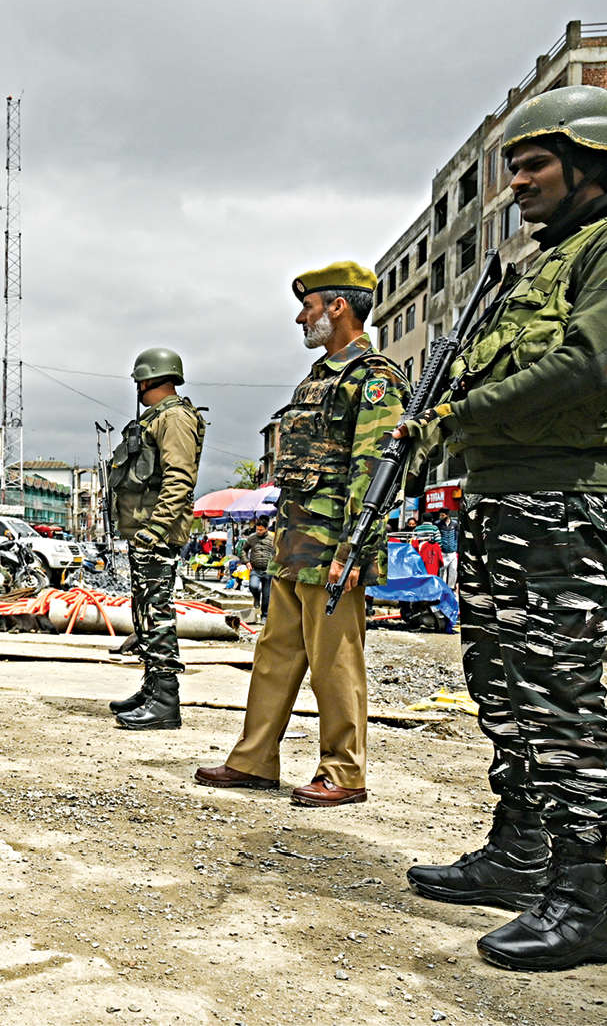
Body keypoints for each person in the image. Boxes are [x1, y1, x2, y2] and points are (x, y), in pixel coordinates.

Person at [398, 85, 607, 972]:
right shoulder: (537, 266)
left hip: (560, 498)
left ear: (589, 164)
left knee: (560, 696)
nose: (518, 183)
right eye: (514, 168)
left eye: (535, 166)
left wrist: (455, 417)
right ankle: (520, 853)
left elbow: (591, 363)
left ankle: (585, 900)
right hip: (501, 498)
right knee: (500, 684)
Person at [196, 262, 405, 807]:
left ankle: (343, 771)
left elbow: (374, 470)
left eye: (307, 307)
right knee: (275, 654)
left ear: (338, 306)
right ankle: (254, 760)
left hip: (334, 546)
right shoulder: (318, 377)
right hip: (294, 544)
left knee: (335, 660)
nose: (300, 318)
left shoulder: (374, 378)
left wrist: (354, 549)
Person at [105, 347, 205, 730]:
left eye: (139, 381)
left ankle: (165, 701)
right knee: (146, 613)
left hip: (156, 535)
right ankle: (152, 689)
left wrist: (156, 528)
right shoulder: (159, 418)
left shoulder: (175, 418)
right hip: (146, 533)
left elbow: (179, 479)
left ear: (148, 380)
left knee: (157, 614)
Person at [245, 518, 275, 620]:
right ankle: (256, 597)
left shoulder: (273, 539)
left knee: (267, 595)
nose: (258, 531)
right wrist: (246, 561)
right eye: (257, 529)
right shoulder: (251, 538)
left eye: (261, 530)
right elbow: (243, 550)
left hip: (268, 571)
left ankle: (264, 615)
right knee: (253, 586)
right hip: (255, 569)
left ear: (266, 529)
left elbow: (278, 552)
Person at [436, 509, 459, 588]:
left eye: (442, 515)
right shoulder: (438, 524)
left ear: (447, 515)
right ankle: (442, 587)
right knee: (442, 570)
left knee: (453, 570)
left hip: (453, 551)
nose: (441, 517)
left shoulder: (455, 524)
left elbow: (457, 537)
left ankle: (451, 587)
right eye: (440, 515)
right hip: (443, 552)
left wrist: (456, 548)